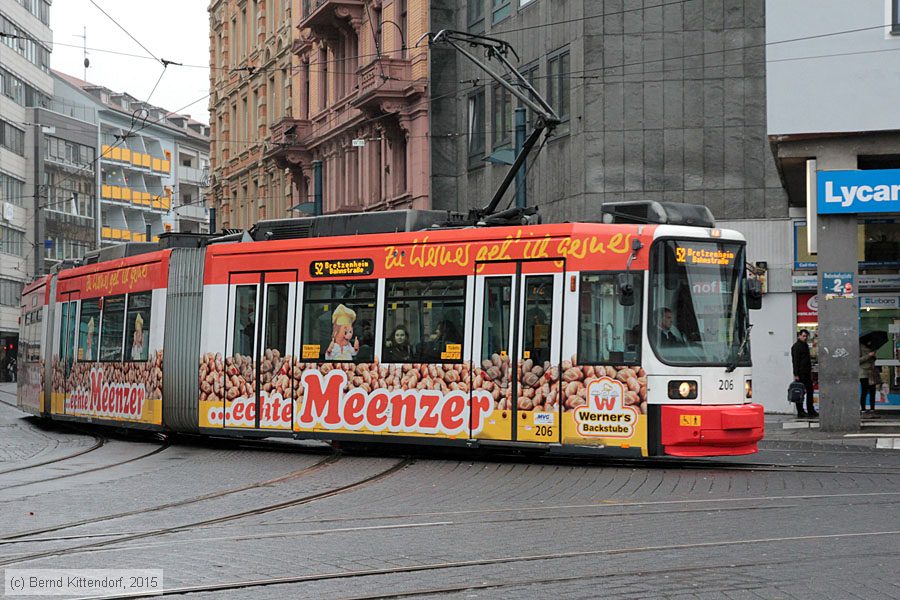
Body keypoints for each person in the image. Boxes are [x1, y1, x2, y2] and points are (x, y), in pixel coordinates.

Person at [791, 329, 818, 418]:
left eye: (806, 336)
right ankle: (800, 411)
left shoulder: (805, 345)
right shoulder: (796, 346)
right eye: (803, 336)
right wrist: (796, 374)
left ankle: (810, 409)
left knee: (810, 391)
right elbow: (795, 361)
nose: (805, 338)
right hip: (800, 373)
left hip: (807, 373)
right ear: (799, 336)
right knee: (800, 392)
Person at [859, 342, 877, 416]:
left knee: (873, 392)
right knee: (864, 391)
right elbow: (858, 360)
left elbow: (873, 360)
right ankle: (863, 410)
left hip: (872, 372)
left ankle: (872, 410)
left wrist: (874, 356)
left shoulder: (872, 347)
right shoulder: (860, 345)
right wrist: (868, 355)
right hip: (863, 372)